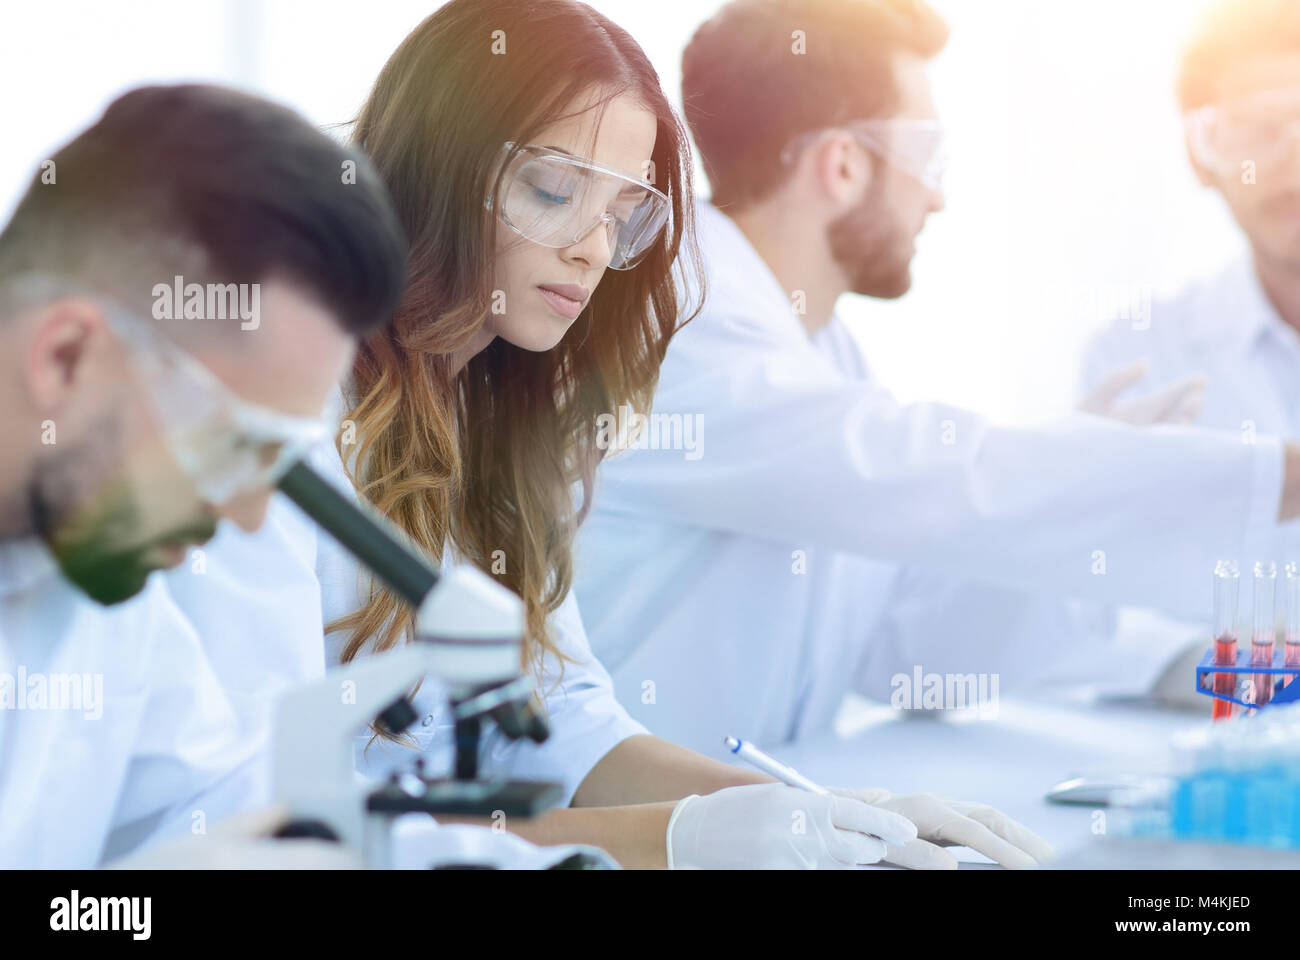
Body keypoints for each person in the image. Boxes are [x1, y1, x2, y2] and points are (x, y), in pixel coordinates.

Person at [189, 0, 1049, 870]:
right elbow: (294, 832)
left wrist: (820, 815)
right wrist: (682, 840)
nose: (590, 249)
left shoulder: (506, 422)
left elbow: (569, 723)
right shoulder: (290, 423)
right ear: (436, 163)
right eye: (555, 190)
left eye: (620, 212)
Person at [570, 0, 1300, 754]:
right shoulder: (682, 312)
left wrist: (1085, 504)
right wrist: (1271, 474)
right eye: (929, 160)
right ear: (843, 164)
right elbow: (914, 466)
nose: (938, 196)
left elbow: (905, 651)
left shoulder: (819, 347)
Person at [0, 83, 408, 867]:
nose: (251, 517)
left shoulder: (100, 588)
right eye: (234, 445)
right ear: (66, 357)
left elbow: (224, 810)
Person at [1078, 0, 1300, 699]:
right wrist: (1263, 674)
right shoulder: (1142, 351)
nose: (1292, 157)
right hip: (1228, 764)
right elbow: (1081, 607)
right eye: (1257, 130)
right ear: (1202, 156)